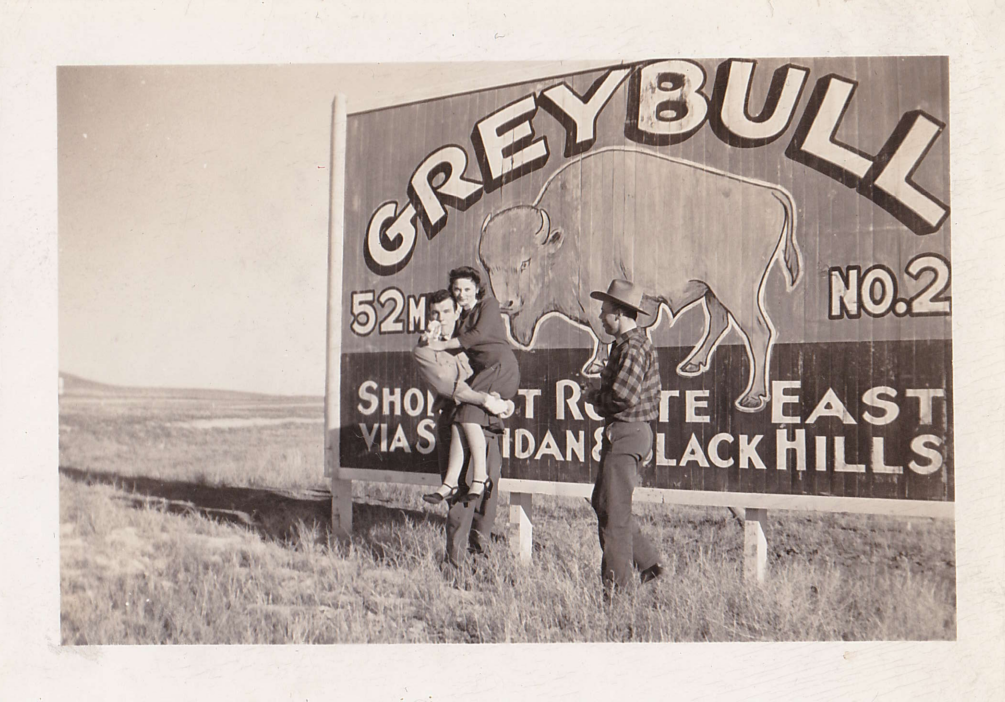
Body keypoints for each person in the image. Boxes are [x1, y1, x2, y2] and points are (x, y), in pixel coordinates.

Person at [579, 278, 665, 597]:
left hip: (627, 431)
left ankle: (617, 593)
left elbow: (623, 397)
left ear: (618, 313)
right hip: (627, 431)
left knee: (613, 516)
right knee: (603, 502)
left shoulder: (632, 347)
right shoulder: (627, 346)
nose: (600, 317)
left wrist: (593, 397)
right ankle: (649, 564)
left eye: (604, 311)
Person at [411, 290, 506, 566]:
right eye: (434, 313)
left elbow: (498, 370)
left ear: (457, 313)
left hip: (487, 421)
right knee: (461, 496)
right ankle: (456, 565)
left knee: (486, 495)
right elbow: (449, 386)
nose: (440, 318)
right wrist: (486, 399)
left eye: (445, 312)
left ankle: (481, 561)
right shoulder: (424, 350)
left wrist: (503, 402)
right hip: (455, 420)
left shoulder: (473, 342)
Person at [422, 266, 521, 505]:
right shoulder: (460, 317)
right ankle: (450, 483)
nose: (462, 294)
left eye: (467, 289)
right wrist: (431, 336)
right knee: (460, 420)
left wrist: (440, 345)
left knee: (466, 417)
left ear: (477, 288)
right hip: (484, 374)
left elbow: (476, 336)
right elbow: (448, 351)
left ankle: (480, 478)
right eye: (457, 289)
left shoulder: (488, 305)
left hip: (500, 367)